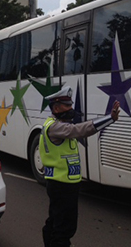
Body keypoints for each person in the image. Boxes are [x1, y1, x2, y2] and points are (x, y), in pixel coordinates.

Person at [40, 86, 120, 247]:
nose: (71, 108)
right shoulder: (55, 127)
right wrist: (109, 118)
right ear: (56, 108)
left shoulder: (60, 125)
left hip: (63, 183)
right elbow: (78, 130)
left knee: (55, 221)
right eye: (67, 105)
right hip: (61, 185)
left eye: (71, 104)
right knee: (64, 228)